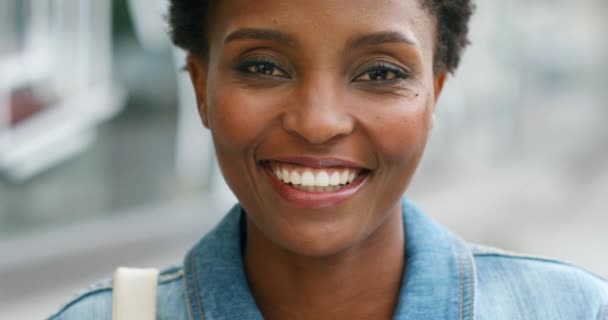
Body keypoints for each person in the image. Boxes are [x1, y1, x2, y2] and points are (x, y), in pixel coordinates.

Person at [49, 0, 608, 319]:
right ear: (201, 88)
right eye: (263, 66)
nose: (317, 122)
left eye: (381, 72)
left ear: (434, 95)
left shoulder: (570, 311)